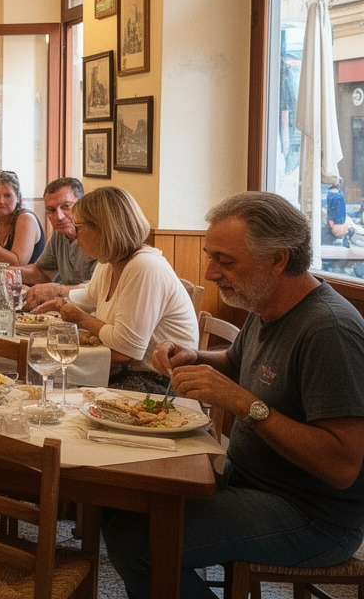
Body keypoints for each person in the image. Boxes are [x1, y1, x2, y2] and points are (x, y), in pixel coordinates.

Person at [104, 192, 364, 599]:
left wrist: (245, 404)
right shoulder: (268, 306)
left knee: (139, 544)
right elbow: (236, 360)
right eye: (210, 257)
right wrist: (194, 355)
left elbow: (343, 464)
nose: (209, 272)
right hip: (250, 482)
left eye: (225, 261)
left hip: (312, 515)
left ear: (277, 260)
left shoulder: (329, 330)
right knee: (124, 505)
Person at [32, 186, 197, 390]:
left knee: (52, 382)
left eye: (80, 227)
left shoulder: (144, 266)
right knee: (45, 382)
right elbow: (90, 296)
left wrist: (82, 319)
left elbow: (127, 350)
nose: (74, 234)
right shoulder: (109, 263)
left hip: (159, 383)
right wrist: (59, 302)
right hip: (125, 373)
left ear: (105, 228)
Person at [17, 177, 98, 308]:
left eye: (66, 207)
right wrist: (0, 272)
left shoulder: (99, 236)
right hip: (67, 311)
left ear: (82, 203)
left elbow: (99, 291)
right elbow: (42, 273)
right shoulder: (59, 233)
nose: (59, 217)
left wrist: (56, 291)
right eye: (51, 210)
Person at [325, 179, 357, 248]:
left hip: (339, 219)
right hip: (337, 220)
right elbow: (330, 209)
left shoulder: (338, 194)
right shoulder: (333, 195)